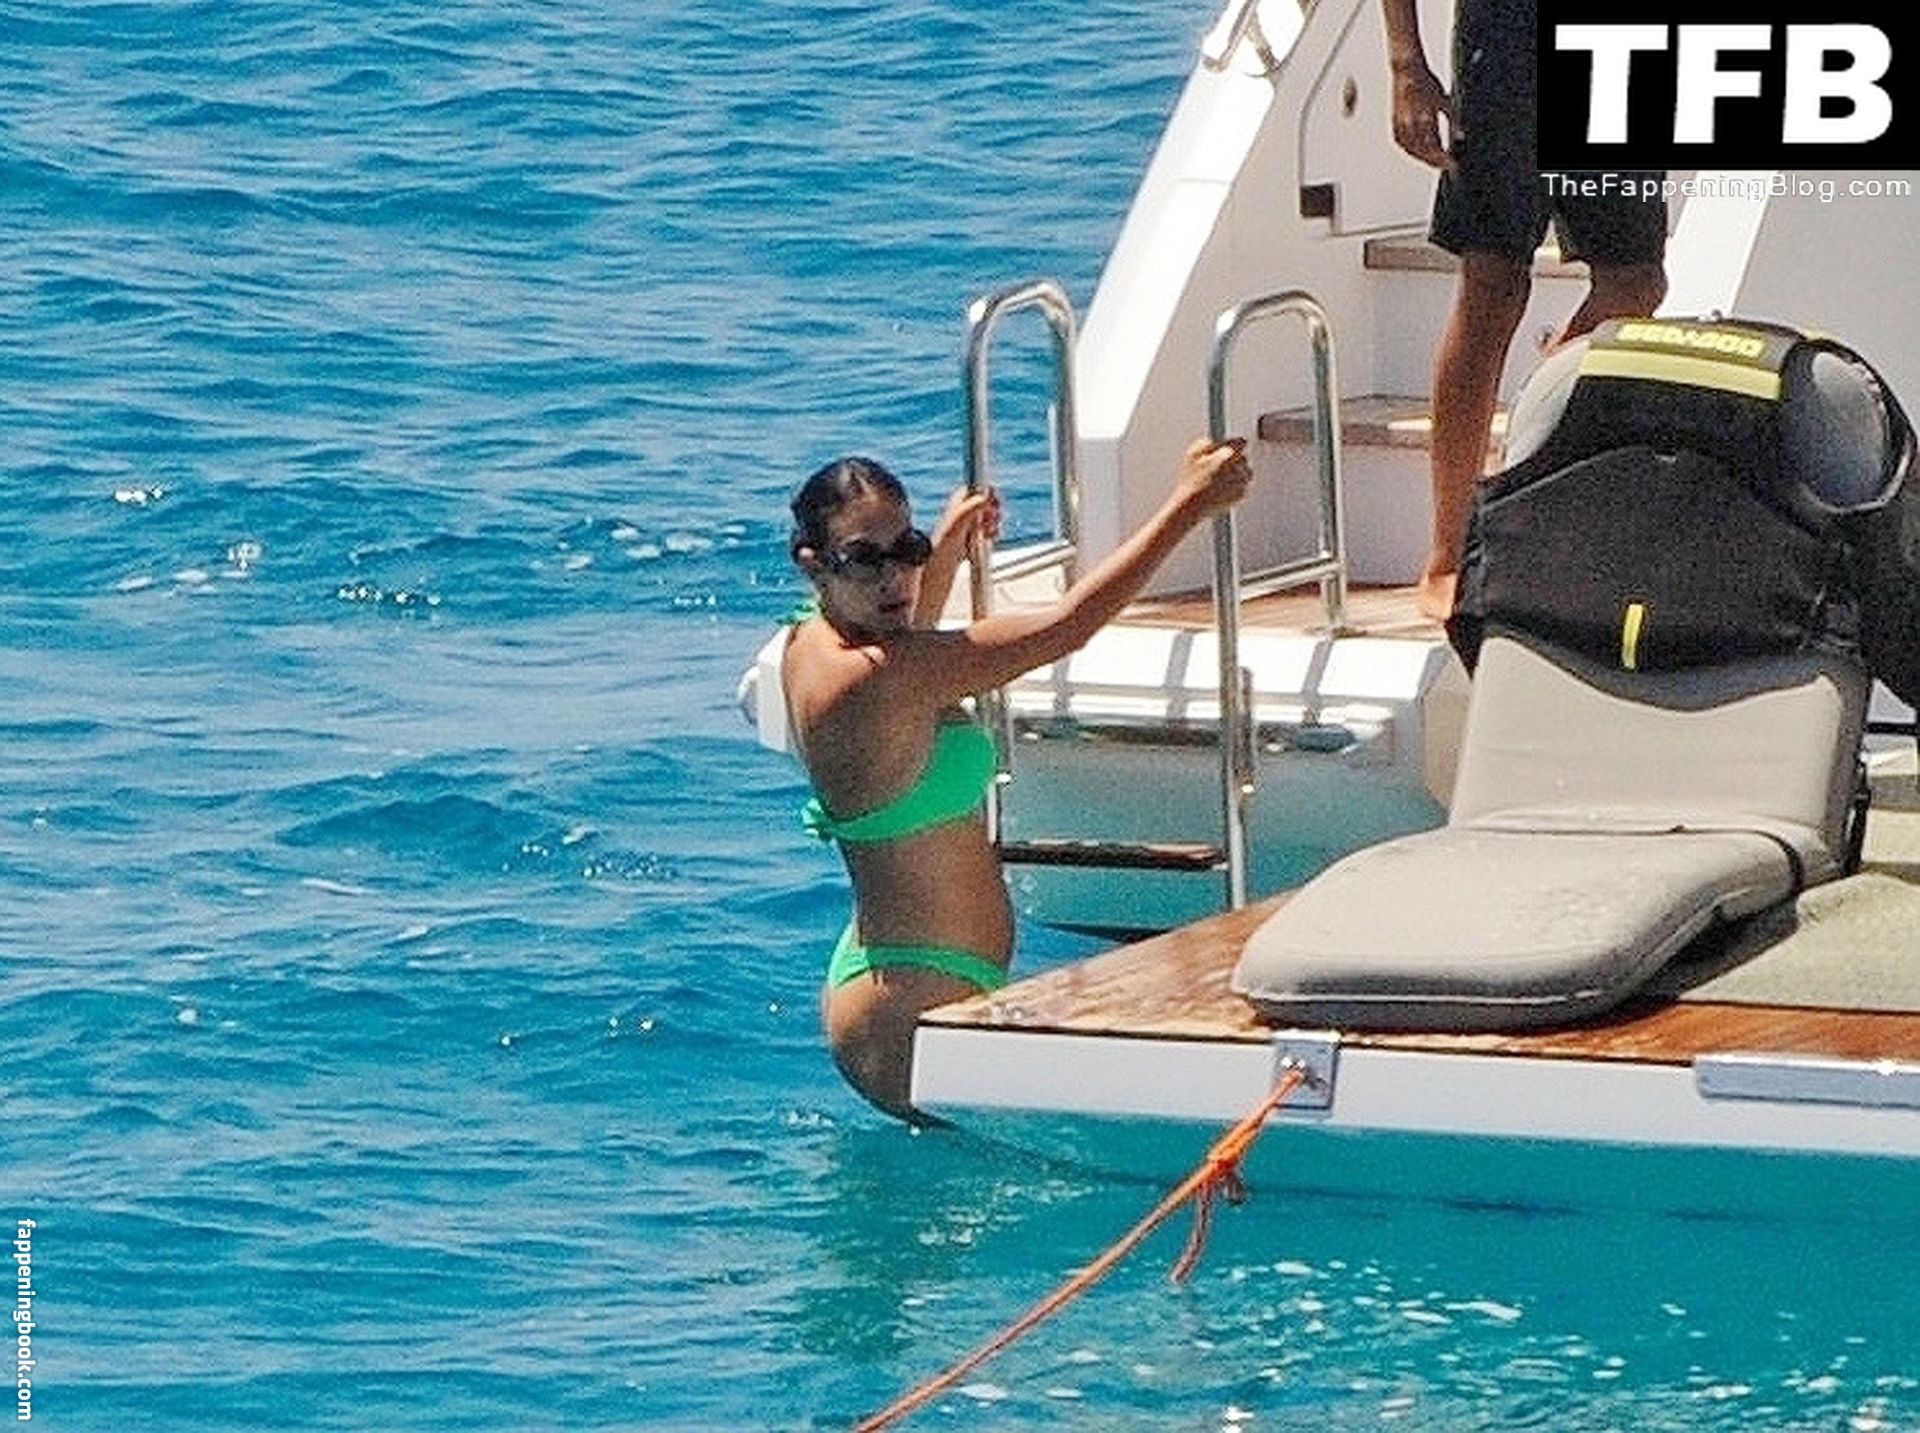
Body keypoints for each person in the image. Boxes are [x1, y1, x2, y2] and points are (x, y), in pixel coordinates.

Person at [783, 437, 1252, 1120]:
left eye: (906, 549)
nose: (895, 577)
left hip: (904, 980)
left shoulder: (813, 640)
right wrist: (1188, 505)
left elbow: (910, 648)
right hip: (910, 1011)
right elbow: (1068, 627)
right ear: (813, 564)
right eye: (865, 558)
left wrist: (946, 548)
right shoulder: (873, 677)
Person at [1382, 0, 1668, 618]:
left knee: (1636, 285)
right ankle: (1450, 552)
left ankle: (1531, 443)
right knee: (1493, 286)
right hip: (1508, 37)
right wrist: (1407, 64)